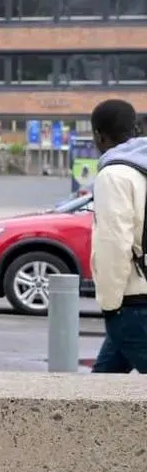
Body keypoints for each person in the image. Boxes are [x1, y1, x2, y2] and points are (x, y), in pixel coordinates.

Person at [88, 99, 147, 373]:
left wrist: (111, 305)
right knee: (102, 386)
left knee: (100, 394)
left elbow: (114, 243)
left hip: (134, 302)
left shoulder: (114, 175)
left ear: (98, 136)